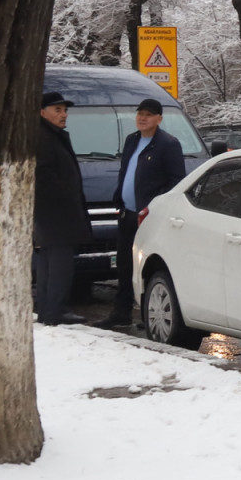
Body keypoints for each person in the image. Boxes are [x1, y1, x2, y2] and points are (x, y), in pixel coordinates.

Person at [104, 97, 186, 327]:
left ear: (159, 119)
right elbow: (127, 170)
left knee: (147, 265)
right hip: (127, 212)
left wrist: (153, 203)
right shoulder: (132, 140)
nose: (142, 118)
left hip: (149, 217)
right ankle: (120, 313)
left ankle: (148, 315)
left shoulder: (168, 144)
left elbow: (176, 181)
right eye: (140, 113)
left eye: (148, 114)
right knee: (124, 264)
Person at [34, 92, 92, 325]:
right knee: (59, 264)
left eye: (64, 110)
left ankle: (49, 309)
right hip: (56, 213)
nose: (63, 114)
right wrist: (66, 196)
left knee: (50, 261)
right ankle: (54, 309)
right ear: (42, 112)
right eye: (57, 110)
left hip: (53, 213)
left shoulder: (51, 135)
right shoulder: (43, 137)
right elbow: (43, 174)